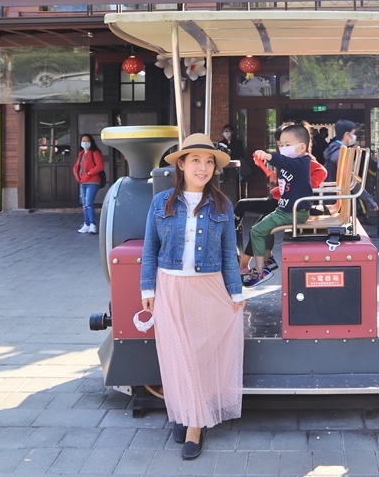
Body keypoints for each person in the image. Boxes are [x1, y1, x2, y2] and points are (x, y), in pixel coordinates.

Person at [139, 133, 244, 461]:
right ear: (181, 165)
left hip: (208, 288)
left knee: (200, 354)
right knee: (177, 354)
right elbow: (150, 248)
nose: (203, 167)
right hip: (170, 286)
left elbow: (229, 252)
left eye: (209, 161)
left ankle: (195, 424)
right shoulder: (161, 203)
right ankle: (185, 413)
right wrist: (147, 288)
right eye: (196, 160)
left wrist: (236, 291)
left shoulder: (222, 204)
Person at [238, 124, 326, 274]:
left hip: (293, 212)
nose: (282, 148)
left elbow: (285, 163)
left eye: (287, 145)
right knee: (263, 228)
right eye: (280, 145)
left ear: (301, 147)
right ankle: (266, 260)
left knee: (257, 231)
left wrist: (268, 156)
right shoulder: (292, 161)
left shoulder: (302, 162)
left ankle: (259, 270)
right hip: (284, 209)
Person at [323, 120, 378, 218]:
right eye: (353, 133)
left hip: (331, 199)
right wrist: (370, 202)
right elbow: (351, 180)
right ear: (347, 135)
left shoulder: (333, 151)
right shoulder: (341, 153)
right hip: (339, 202)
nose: (354, 136)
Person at [72, 134, 104, 234]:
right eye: (83, 140)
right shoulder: (81, 154)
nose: (84, 142)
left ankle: (92, 225)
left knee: (89, 203)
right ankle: (86, 224)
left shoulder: (95, 153)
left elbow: (100, 166)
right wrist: (77, 175)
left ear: (91, 142)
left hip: (92, 182)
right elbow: (77, 167)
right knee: (85, 205)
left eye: (87, 140)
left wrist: (89, 173)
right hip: (83, 182)